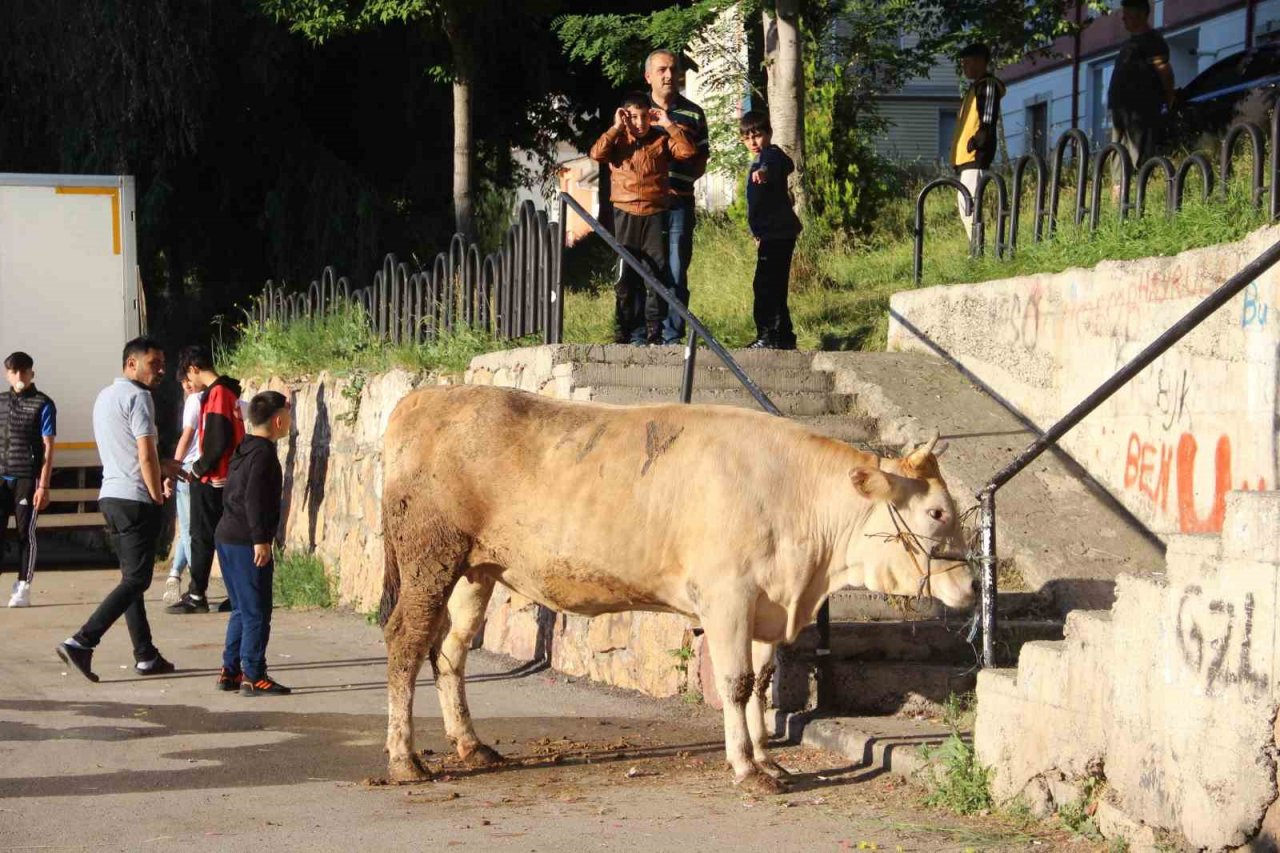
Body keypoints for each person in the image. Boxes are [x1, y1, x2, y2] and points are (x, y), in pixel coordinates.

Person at [57, 337, 186, 681]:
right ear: (131, 364)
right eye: (154, 364)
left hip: (111, 496)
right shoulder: (139, 397)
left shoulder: (105, 396)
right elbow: (144, 455)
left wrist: (164, 464)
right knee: (137, 579)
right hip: (135, 499)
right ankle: (82, 641)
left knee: (132, 580)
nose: (161, 370)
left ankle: (146, 655)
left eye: (163, 364)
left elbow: (128, 450)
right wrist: (157, 493)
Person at [590, 91, 698, 345]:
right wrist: (616, 127)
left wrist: (668, 124)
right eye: (633, 117)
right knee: (625, 276)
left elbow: (688, 151)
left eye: (644, 117)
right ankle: (627, 328)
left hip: (654, 213)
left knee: (655, 274)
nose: (639, 123)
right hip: (625, 211)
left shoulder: (660, 139)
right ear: (625, 117)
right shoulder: (618, 140)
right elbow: (596, 154)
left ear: (650, 116)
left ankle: (654, 329)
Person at [214, 391, 292, 696]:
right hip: (246, 540)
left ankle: (230, 671)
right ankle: (254, 674)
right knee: (257, 611)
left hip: (227, 535)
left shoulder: (244, 448)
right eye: (288, 415)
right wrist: (260, 540)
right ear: (278, 420)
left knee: (241, 608)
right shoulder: (263, 454)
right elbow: (254, 498)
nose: (290, 421)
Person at [167, 345, 244, 615]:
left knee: (201, 536)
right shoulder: (226, 391)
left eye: (188, 376)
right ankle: (235, 593)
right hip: (224, 476)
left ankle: (197, 594)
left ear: (194, 368)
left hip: (214, 478)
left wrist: (198, 470)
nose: (189, 383)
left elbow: (217, 439)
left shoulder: (217, 394)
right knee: (224, 538)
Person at [645, 49, 710, 345]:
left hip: (680, 202)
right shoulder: (637, 111)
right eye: (662, 70)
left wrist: (683, 181)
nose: (669, 75)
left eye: (672, 69)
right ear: (648, 76)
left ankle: (672, 336)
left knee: (676, 269)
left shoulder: (694, 113)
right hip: (645, 204)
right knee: (645, 267)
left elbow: (701, 158)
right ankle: (646, 332)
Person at [741, 110, 803, 350]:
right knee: (772, 284)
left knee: (766, 286)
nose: (753, 142)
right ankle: (784, 336)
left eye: (757, 135)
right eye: (747, 138)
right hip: (770, 234)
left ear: (769, 133)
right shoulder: (757, 160)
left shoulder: (771, 155)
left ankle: (769, 336)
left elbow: (775, 165)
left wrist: (763, 172)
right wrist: (757, 233)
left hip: (778, 233)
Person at [0, 352, 56, 608]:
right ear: (7, 375)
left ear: (32, 373)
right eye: (14, 371)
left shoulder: (43, 403)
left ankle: (23, 586)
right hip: (2, 476)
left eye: (24, 371)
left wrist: (43, 485)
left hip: (27, 477)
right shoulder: (1, 402)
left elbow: (48, 446)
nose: (19, 376)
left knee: (25, 533)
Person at [1108, 0, 1175, 170]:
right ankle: (1118, 186)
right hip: (1120, 113)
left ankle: (1138, 184)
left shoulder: (1153, 41)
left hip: (1140, 113)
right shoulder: (1128, 44)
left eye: (1127, 13)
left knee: (1138, 158)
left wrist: (1168, 101)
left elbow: (1165, 72)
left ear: (1141, 14)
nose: (1123, 18)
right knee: (1118, 158)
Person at [950, 43, 1005, 240]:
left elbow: (987, 119)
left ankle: (978, 248)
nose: (964, 67)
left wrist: (977, 142)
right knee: (965, 203)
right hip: (967, 157)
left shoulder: (987, 86)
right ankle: (975, 247)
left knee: (970, 204)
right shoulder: (974, 89)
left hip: (975, 155)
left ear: (980, 61)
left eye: (967, 62)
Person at [163, 376, 203, 605]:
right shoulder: (220, 397)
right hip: (207, 469)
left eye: (189, 379)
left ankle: (197, 585)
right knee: (189, 528)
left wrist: (173, 470)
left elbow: (186, 436)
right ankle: (175, 573)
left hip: (188, 469)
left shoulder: (194, 400)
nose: (186, 385)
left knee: (188, 530)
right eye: (182, 381)